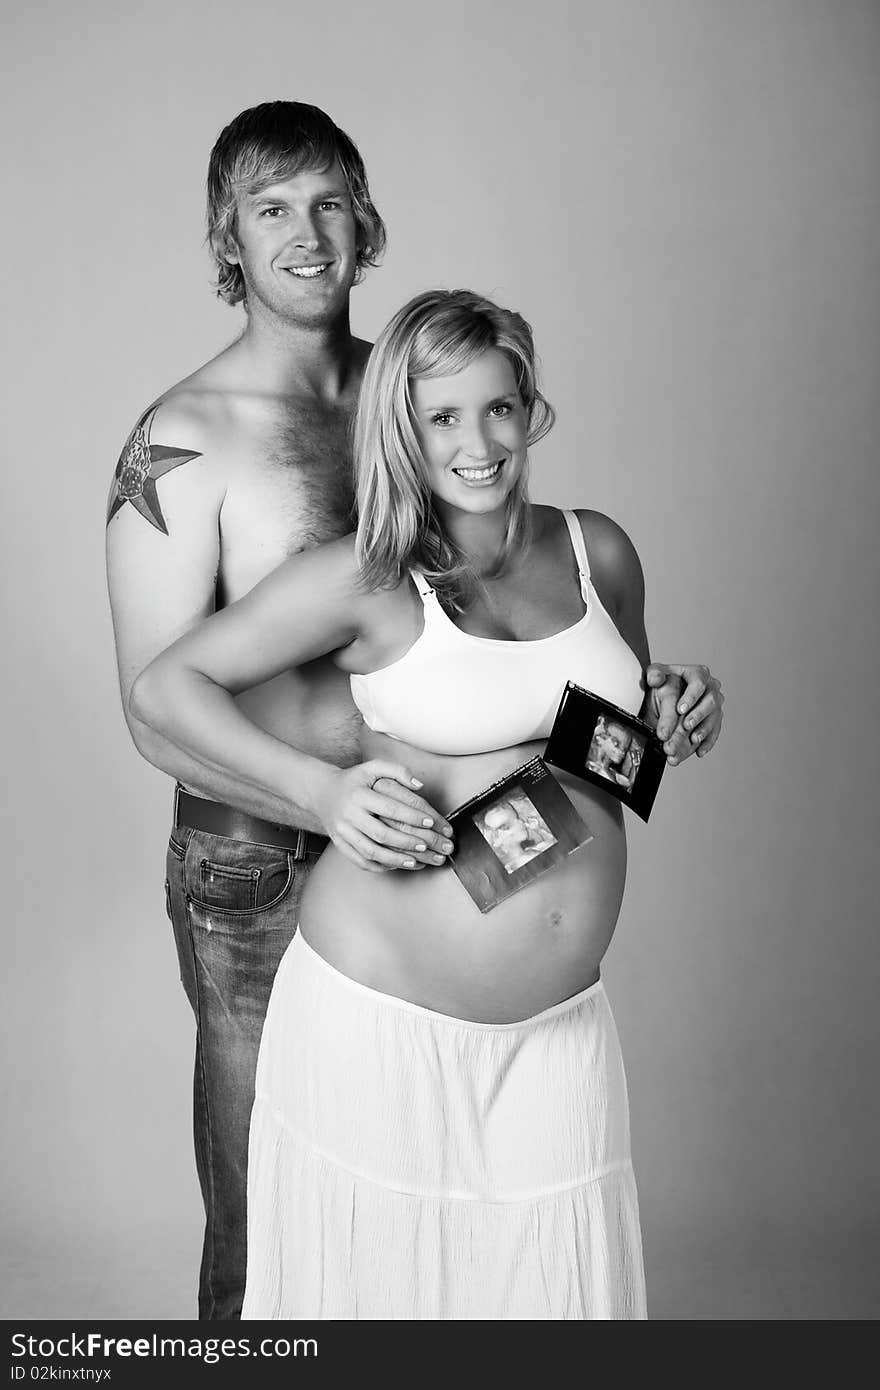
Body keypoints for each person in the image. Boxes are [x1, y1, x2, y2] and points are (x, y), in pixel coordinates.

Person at [129, 288, 725, 1319]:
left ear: (530, 409)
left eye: (498, 408)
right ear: (402, 430)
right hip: (379, 1027)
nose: (477, 443)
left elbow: (606, 743)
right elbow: (165, 686)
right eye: (441, 417)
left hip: (557, 1026)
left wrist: (677, 702)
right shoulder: (365, 579)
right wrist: (319, 789)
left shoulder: (599, 552)